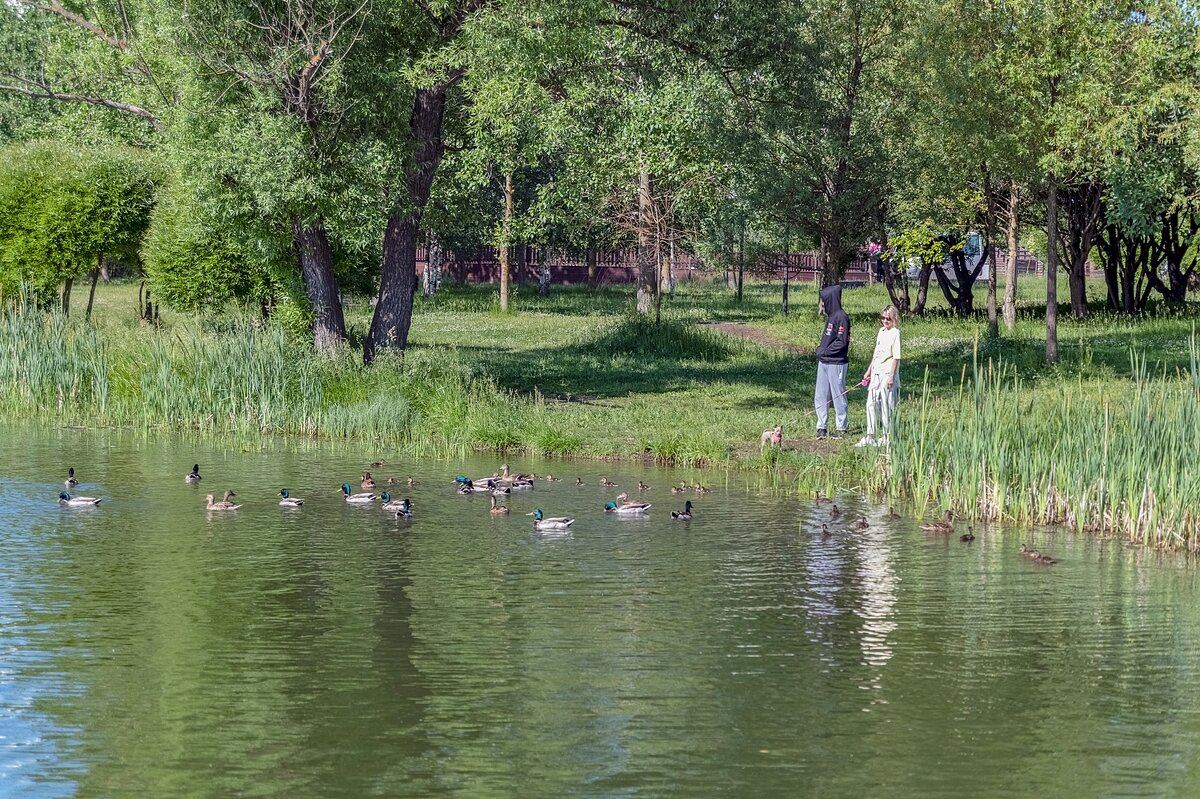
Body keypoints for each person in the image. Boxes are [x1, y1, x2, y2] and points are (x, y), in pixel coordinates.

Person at [856, 304, 901, 447]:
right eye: (883, 318)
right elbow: (876, 354)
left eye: (888, 318)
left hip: (887, 373)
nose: (885, 321)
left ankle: (888, 436)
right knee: (871, 403)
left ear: (893, 318)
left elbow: (896, 357)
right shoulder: (881, 332)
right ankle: (871, 435)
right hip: (876, 372)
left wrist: (891, 376)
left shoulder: (895, 333)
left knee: (886, 405)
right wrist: (869, 371)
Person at [814, 285, 851, 438]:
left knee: (838, 395)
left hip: (836, 363)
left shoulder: (841, 317)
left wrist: (824, 351)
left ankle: (841, 428)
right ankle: (821, 427)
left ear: (831, 300)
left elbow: (841, 342)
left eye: (823, 301)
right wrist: (821, 352)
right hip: (824, 362)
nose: (822, 304)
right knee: (821, 395)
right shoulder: (830, 317)